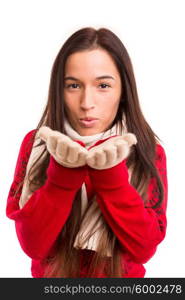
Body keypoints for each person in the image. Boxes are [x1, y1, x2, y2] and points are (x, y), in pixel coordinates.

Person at [6, 27, 168, 278]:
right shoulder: (37, 144)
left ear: (123, 91)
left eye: (103, 85)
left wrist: (111, 177)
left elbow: (144, 248)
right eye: (73, 86)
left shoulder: (147, 149)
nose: (86, 103)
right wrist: (62, 174)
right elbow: (33, 246)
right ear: (58, 90)